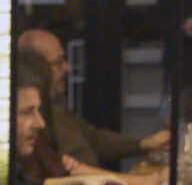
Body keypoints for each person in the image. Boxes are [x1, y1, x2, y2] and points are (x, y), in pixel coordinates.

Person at [15, 28, 161, 172]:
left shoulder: (57, 102)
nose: (67, 67)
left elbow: (94, 139)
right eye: (59, 62)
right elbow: (71, 174)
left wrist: (146, 144)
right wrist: (141, 182)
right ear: (36, 67)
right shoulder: (37, 121)